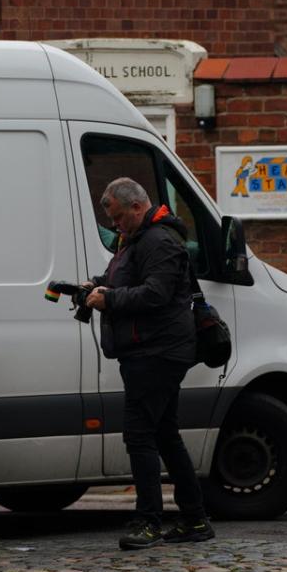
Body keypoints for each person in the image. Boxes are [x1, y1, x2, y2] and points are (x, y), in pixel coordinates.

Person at [82, 177, 215, 550]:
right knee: (165, 434)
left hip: (158, 352)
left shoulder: (159, 241)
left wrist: (109, 300)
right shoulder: (137, 239)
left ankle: (149, 522)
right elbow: (124, 280)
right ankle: (194, 519)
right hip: (149, 351)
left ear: (137, 207)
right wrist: (93, 286)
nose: (115, 226)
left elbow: (155, 294)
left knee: (140, 435)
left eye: (119, 217)